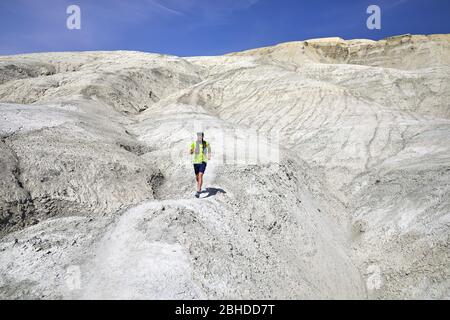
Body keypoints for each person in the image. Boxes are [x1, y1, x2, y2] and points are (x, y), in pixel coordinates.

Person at [190, 132, 211, 198]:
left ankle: (198, 191)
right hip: (196, 162)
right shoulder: (194, 143)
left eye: (201, 136)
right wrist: (191, 151)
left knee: (200, 175)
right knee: (197, 177)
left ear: (203, 136)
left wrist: (209, 155)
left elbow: (209, 148)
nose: (200, 137)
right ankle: (199, 185)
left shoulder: (206, 143)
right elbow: (191, 151)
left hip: (203, 161)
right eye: (198, 136)